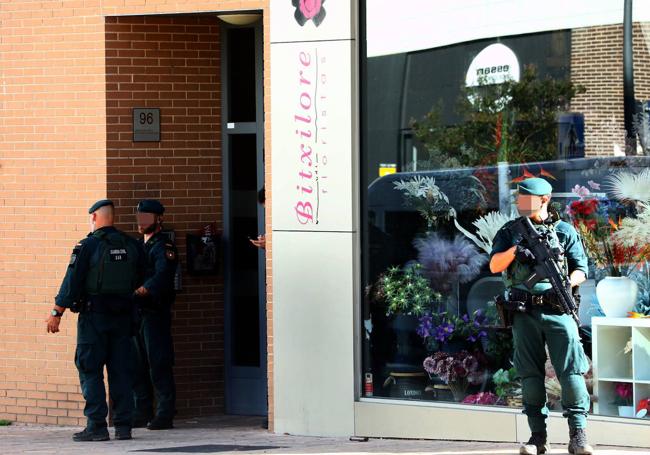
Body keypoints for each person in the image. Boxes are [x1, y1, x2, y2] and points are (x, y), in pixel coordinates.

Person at [489, 178, 593, 455]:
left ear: (544, 199)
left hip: (558, 308)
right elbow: (494, 265)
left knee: (571, 371)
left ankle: (578, 435)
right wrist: (515, 250)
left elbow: (581, 269)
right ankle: (538, 437)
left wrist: (567, 283)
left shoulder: (564, 230)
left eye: (527, 199)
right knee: (530, 375)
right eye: (520, 199)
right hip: (524, 312)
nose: (521, 204)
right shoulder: (510, 232)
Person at [46, 200, 143, 442]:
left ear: (94, 218)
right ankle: (123, 426)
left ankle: (97, 426)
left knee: (90, 369)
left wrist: (57, 312)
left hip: (94, 318)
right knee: (121, 371)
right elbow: (143, 277)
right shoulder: (132, 245)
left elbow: (72, 280)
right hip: (124, 317)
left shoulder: (87, 245)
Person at [132, 199, 178, 430]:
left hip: (154, 311)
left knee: (158, 362)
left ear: (158, 219)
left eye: (146, 218)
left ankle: (164, 413)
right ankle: (141, 411)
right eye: (140, 218)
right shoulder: (138, 245)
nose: (141, 223)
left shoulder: (164, 246)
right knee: (137, 363)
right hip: (137, 312)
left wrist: (145, 288)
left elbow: (163, 274)